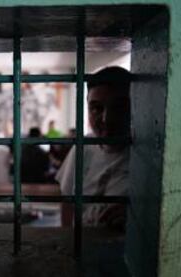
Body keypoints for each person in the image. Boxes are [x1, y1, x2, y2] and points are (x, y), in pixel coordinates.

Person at [56, 66, 131, 229]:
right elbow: (67, 200)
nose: (106, 118)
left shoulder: (146, 154)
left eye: (118, 108)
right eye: (96, 108)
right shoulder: (83, 147)